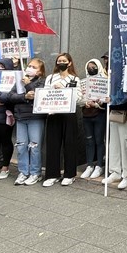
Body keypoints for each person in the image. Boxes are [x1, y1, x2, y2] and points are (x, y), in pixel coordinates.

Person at [0, 57, 46, 185]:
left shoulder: (42, 81)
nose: (30, 68)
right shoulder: (19, 80)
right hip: (20, 117)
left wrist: (28, 84)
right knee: (21, 146)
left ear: (40, 71)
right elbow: (10, 96)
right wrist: (25, 97)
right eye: (29, 66)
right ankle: (23, 172)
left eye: (34, 67)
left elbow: (38, 95)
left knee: (34, 147)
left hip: (35, 117)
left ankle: (35, 173)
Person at [42, 53, 82, 187]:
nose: (61, 63)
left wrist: (65, 90)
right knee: (52, 144)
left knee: (70, 144)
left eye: (64, 61)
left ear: (69, 63)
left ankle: (69, 174)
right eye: (59, 61)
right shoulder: (50, 78)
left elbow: (79, 97)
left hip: (69, 114)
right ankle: (52, 174)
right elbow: (45, 94)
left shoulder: (75, 79)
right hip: (53, 114)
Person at [80, 58, 107, 180]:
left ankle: (99, 165)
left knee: (99, 140)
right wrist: (85, 103)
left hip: (99, 114)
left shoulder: (105, 81)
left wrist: (97, 104)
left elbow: (106, 99)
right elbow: (79, 98)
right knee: (89, 141)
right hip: (86, 115)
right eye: (89, 67)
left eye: (94, 67)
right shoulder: (83, 82)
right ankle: (90, 165)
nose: (91, 69)